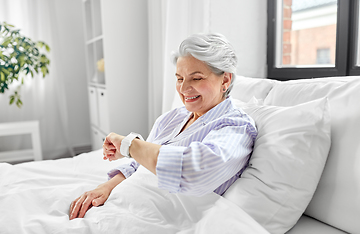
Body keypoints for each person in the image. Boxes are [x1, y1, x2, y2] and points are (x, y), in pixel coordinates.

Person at [69, 33, 257, 220]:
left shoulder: (236, 126)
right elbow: (139, 164)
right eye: (179, 79)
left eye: (196, 78)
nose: (183, 89)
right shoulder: (172, 118)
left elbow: (193, 172)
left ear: (225, 80)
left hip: (163, 219)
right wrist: (106, 188)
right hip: (125, 203)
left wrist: (129, 145)